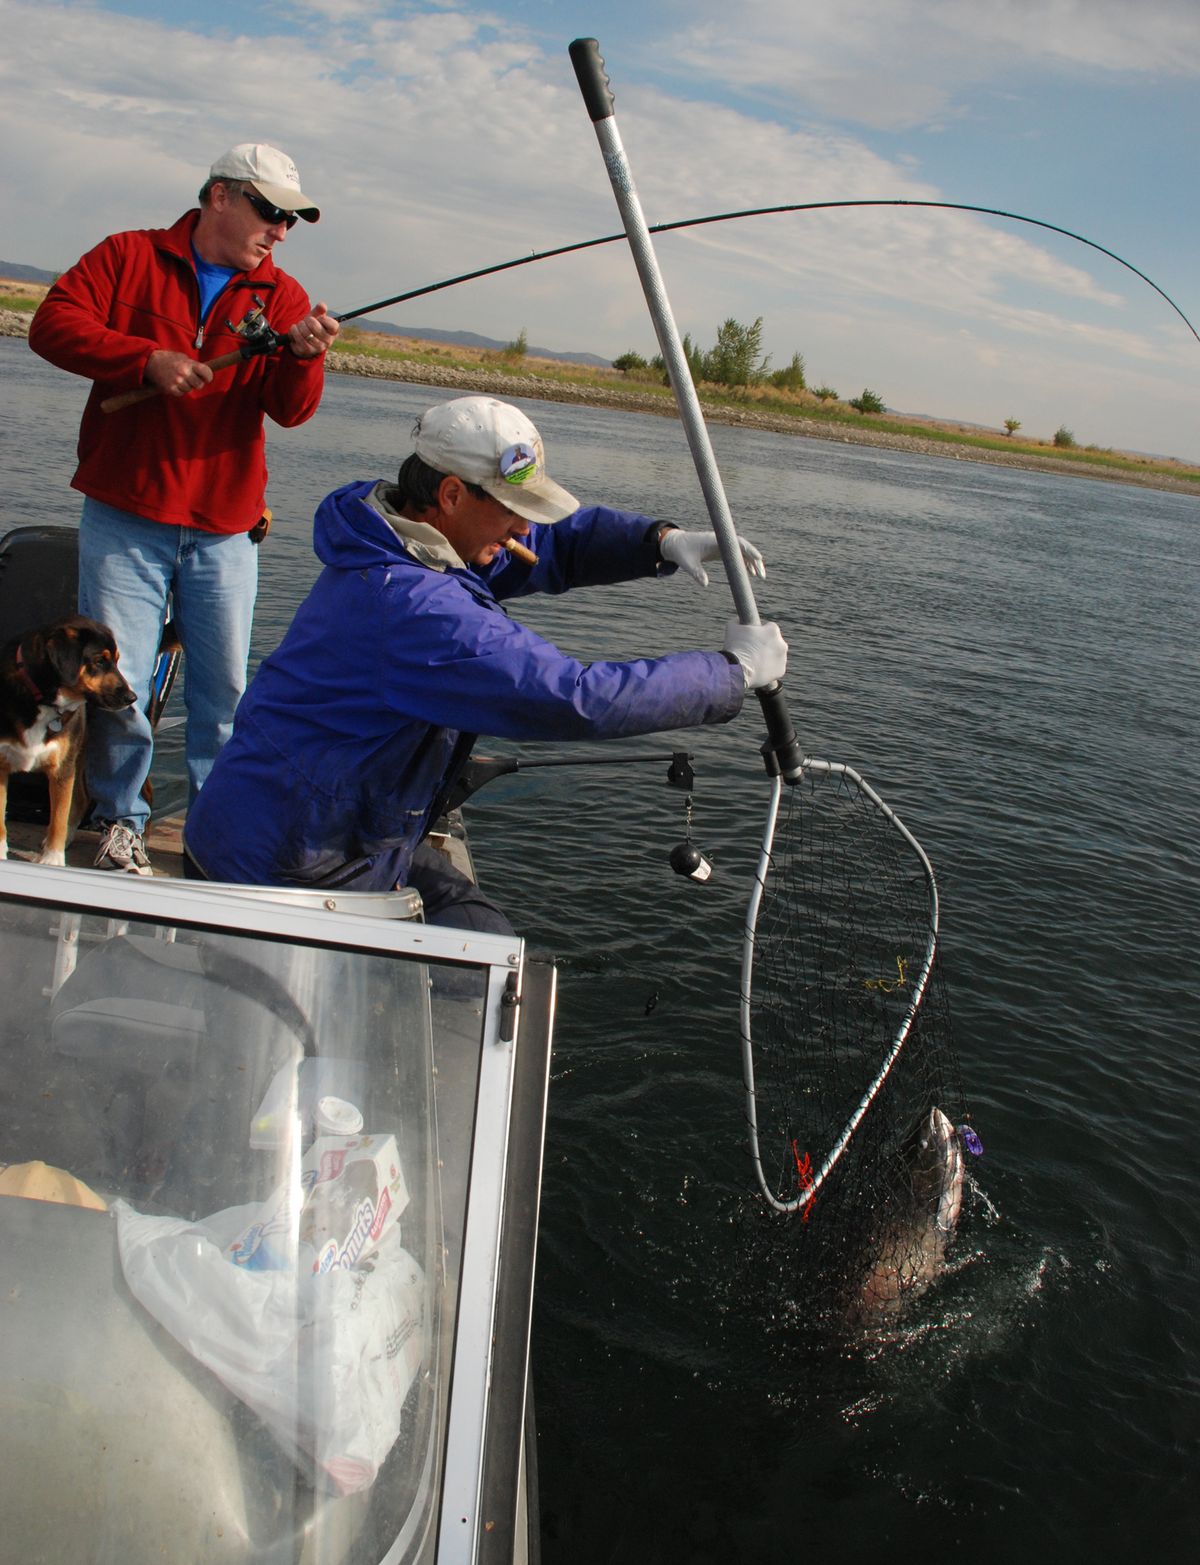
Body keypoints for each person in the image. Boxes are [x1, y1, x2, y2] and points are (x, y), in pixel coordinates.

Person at [183, 395, 788, 935]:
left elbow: (550, 545)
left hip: (330, 832)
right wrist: (731, 671)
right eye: (511, 510)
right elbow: (572, 697)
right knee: (474, 950)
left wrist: (656, 541)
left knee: (479, 929)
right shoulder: (415, 606)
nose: (524, 529)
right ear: (451, 494)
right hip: (283, 868)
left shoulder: (405, 536)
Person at [28, 142, 340, 876]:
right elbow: (51, 325)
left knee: (225, 691)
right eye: (270, 211)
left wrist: (306, 355)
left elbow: (292, 414)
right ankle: (120, 821)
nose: (281, 231)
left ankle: (217, 826)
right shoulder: (126, 256)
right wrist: (144, 360)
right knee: (119, 684)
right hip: (124, 513)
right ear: (220, 196)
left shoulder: (284, 298)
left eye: (292, 219)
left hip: (226, 528)